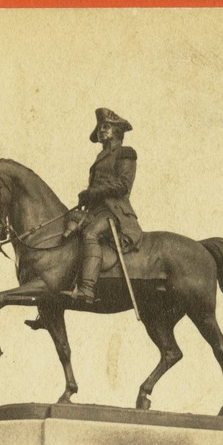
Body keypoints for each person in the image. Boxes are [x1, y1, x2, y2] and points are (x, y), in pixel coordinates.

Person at [64, 107, 145, 303]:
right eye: (100, 128)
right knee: (67, 223)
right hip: (96, 211)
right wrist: (86, 199)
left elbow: (122, 185)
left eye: (106, 127)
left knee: (90, 233)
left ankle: (87, 289)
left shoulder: (125, 153)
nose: (101, 131)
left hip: (115, 213)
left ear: (117, 130)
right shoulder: (100, 157)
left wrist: (92, 192)